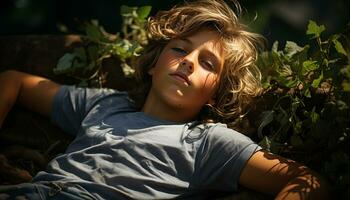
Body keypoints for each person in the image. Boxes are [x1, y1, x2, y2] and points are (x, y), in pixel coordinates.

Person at [0, 0, 329, 199]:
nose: (189, 61)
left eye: (207, 63)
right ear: (154, 64)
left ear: (216, 95)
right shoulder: (105, 105)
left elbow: (307, 181)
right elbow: (13, 81)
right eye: (180, 49)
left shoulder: (206, 143)